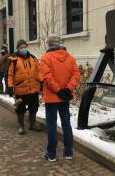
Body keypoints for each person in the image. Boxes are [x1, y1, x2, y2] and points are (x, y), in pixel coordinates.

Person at [39, 34, 80, 162]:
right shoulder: (71, 58)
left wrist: (58, 90)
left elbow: (47, 77)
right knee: (66, 124)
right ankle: (68, 152)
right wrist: (68, 89)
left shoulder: (46, 58)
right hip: (65, 97)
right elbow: (76, 75)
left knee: (51, 125)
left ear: (49, 44)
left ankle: (51, 154)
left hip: (52, 98)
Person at [7, 39, 41, 135]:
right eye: (21, 47)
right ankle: (21, 126)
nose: (23, 49)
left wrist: (41, 82)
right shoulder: (13, 60)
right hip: (21, 90)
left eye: (25, 47)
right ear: (18, 48)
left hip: (33, 88)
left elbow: (39, 71)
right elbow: (10, 75)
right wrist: (10, 86)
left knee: (34, 107)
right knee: (20, 108)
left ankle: (32, 123)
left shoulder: (33, 58)